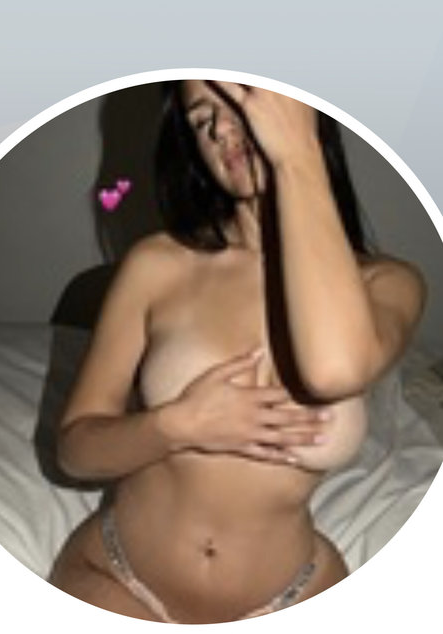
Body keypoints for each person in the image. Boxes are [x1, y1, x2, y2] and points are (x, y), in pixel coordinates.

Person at [49, 80, 426, 623]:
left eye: (243, 98)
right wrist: (178, 426)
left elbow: (333, 371)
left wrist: (296, 156)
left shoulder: (386, 284)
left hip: (291, 596)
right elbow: (75, 451)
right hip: (119, 579)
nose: (222, 128)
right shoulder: (157, 266)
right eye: (202, 118)